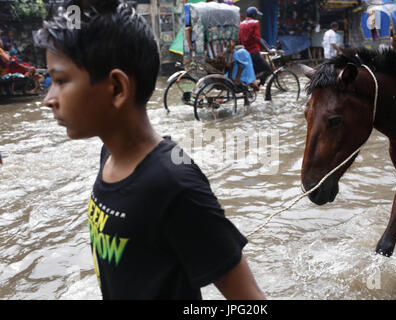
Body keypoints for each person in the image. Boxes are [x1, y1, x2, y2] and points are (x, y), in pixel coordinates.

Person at [35, 0, 265, 300]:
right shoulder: (109, 156)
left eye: (60, 80)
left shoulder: (174, 183)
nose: (48, 99)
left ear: (117, 88)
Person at [238, 6, 272, 86]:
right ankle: (252, 82)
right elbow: (257, 38)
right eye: (256, 15)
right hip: (253, 52)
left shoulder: (241, 24)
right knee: (268, 70)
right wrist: (267, 49)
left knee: (255, 70)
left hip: (245, 53)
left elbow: (239, 39)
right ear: (253, 15)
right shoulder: (255, 22)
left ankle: (254, 83)